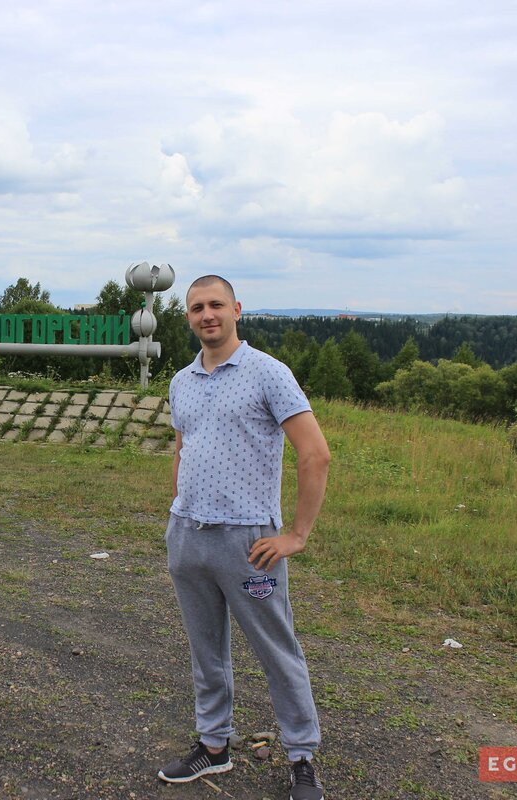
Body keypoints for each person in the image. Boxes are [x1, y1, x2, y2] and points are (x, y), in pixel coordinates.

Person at [157, 275, 330, 800]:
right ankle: (214, 747)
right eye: (195, 308)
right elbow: (184, 449)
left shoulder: (268, 373)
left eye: (215, 305)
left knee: (277, 650)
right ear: (187, 317)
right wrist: (178, 510)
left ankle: (301, 755)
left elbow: (315, 454)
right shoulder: (182, 380)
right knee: (205, 649)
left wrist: (296, 534)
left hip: (249, 542)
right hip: (188, 535)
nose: (206, 315)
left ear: (236, 309)